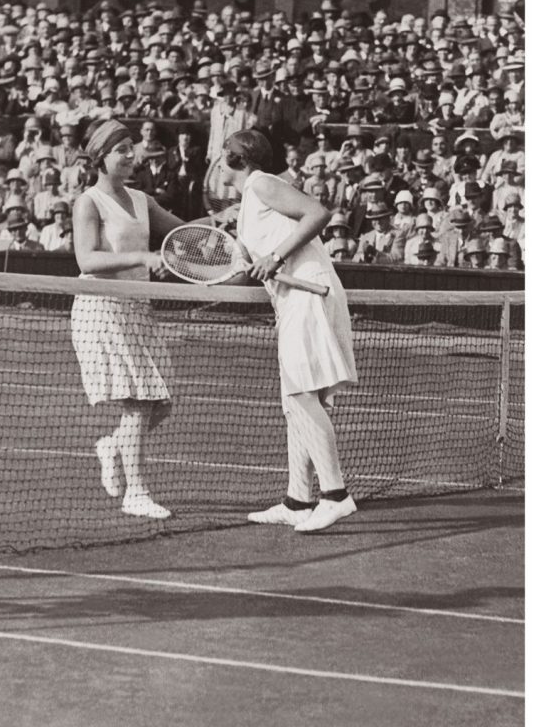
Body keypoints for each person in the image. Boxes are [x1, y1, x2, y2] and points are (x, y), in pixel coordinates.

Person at [220, 130, 358, 533]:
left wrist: (277, 256)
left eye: (223, 153)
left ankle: (335, 495)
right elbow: (250, 268)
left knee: (301, 394)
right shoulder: (247, 202)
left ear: (236, 158)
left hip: (310, 293)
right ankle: (298, 500)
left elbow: (318, 213)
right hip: (290, 300)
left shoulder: (262, 183)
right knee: (296, 401)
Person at [71, 120, 186, 520]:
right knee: (139, 400)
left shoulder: (142, 200)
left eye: (131, 147)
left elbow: (183, 234)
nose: (131, 155)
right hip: (101, 308)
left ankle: (113, 445)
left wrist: (227, 221)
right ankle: (135, 493)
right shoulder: (88, 202)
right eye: (121, 149)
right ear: (101, 157)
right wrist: (143, 257)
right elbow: (86, 259)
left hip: (138, 306)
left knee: (162, 403)